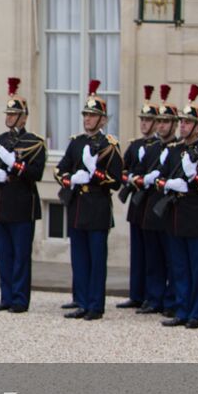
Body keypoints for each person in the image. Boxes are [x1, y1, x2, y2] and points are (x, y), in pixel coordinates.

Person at [157, 86, 198, 329]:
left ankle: (195, 313)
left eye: (188, 122)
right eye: (182, 122)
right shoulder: (174, 151)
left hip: (196, 218)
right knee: (179, 267)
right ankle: (182, 309)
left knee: (196, 268)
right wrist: (168, 183)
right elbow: (158, 178)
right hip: (175, 217)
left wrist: (193, 179)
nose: (183, 126)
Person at [53, 80, 122, 320]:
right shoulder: (77, 142)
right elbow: (59, 169)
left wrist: (95, 175)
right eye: (86, 115)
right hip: (77, 208)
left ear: (103, 119)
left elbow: (116, 180)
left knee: (96, 260)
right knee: (79, 259)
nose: (88, 119)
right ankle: (81, 300)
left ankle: (95, 305)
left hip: (97, 207)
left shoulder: (109, 146)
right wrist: (70, 179)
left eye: (93, 116)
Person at [0, 78, 45, 313]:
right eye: (8, 113)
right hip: (1, 205)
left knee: (20, 257)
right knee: (3, 255)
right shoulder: (0, 141)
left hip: (22, 206)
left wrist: (14, 165)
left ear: (24, 117)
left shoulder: (34, 143)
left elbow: (36, 173)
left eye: (14, 114)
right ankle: (6, 296)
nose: (9, 117)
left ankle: (19, 299)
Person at [117, 85, 159, 310]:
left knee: (152, 253)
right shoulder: (135, 145)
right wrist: (130, 179)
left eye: (148, 120)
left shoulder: (161, 146)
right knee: (137, 252)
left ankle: (152, 296)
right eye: (142, 119)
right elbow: (123, 171)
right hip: (137, 202)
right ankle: (136, 293)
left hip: (151, 203)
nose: (144, 123)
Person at [138, 84, 178, 315]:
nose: (161, 125)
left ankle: (171, 301)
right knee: (153, 258)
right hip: (152, 209)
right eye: (159, 121)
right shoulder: (151, 148)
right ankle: (154, 298)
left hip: (170, 210)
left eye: (165, 122)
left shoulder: (177, 149)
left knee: (172, 259)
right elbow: (141, 174)